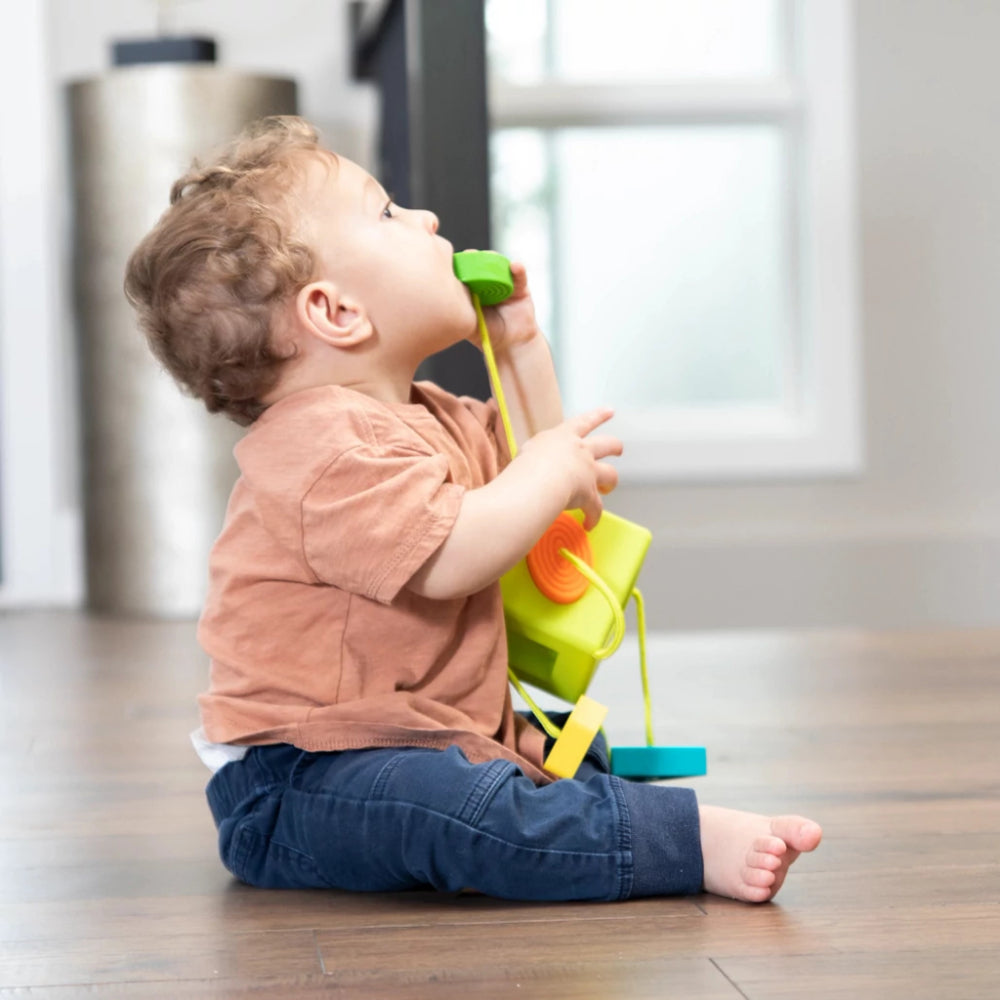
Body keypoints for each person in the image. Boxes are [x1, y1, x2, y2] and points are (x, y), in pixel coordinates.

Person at [125, 115, 822, 903]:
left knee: (544, 753)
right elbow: (454, 553)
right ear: (337, 312)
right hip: (301, 780)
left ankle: (599, 815)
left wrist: (521, 347)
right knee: (452, 812)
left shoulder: (433, 417)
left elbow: (544, 473)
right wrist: (548, 472)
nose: (426, 220)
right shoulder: (317, 447)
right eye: (386, 213)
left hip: (426, 738)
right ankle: (680, 842)